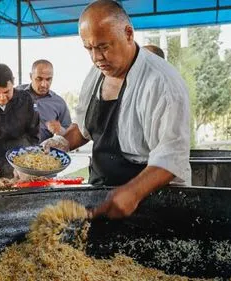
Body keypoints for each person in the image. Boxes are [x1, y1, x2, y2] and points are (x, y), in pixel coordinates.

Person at [42, 0, 191, 218]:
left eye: (103, 47)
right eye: (89, 49)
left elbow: (171, 158)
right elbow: (84, 129)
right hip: (102, 194)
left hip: (154, 202)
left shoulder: (162, 84)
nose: (96, 58)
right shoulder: (96, 75)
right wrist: (61, 142)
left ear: (128, 33)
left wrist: (131, 192)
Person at [17, 60, 72, 142]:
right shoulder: (16, 93)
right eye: (39, 79)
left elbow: (70, 135)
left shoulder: (59, 103)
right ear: (31, 76)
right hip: (15, 150)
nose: (44, 84)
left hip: (43, 152)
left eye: (48, 79)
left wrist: (60, 130)